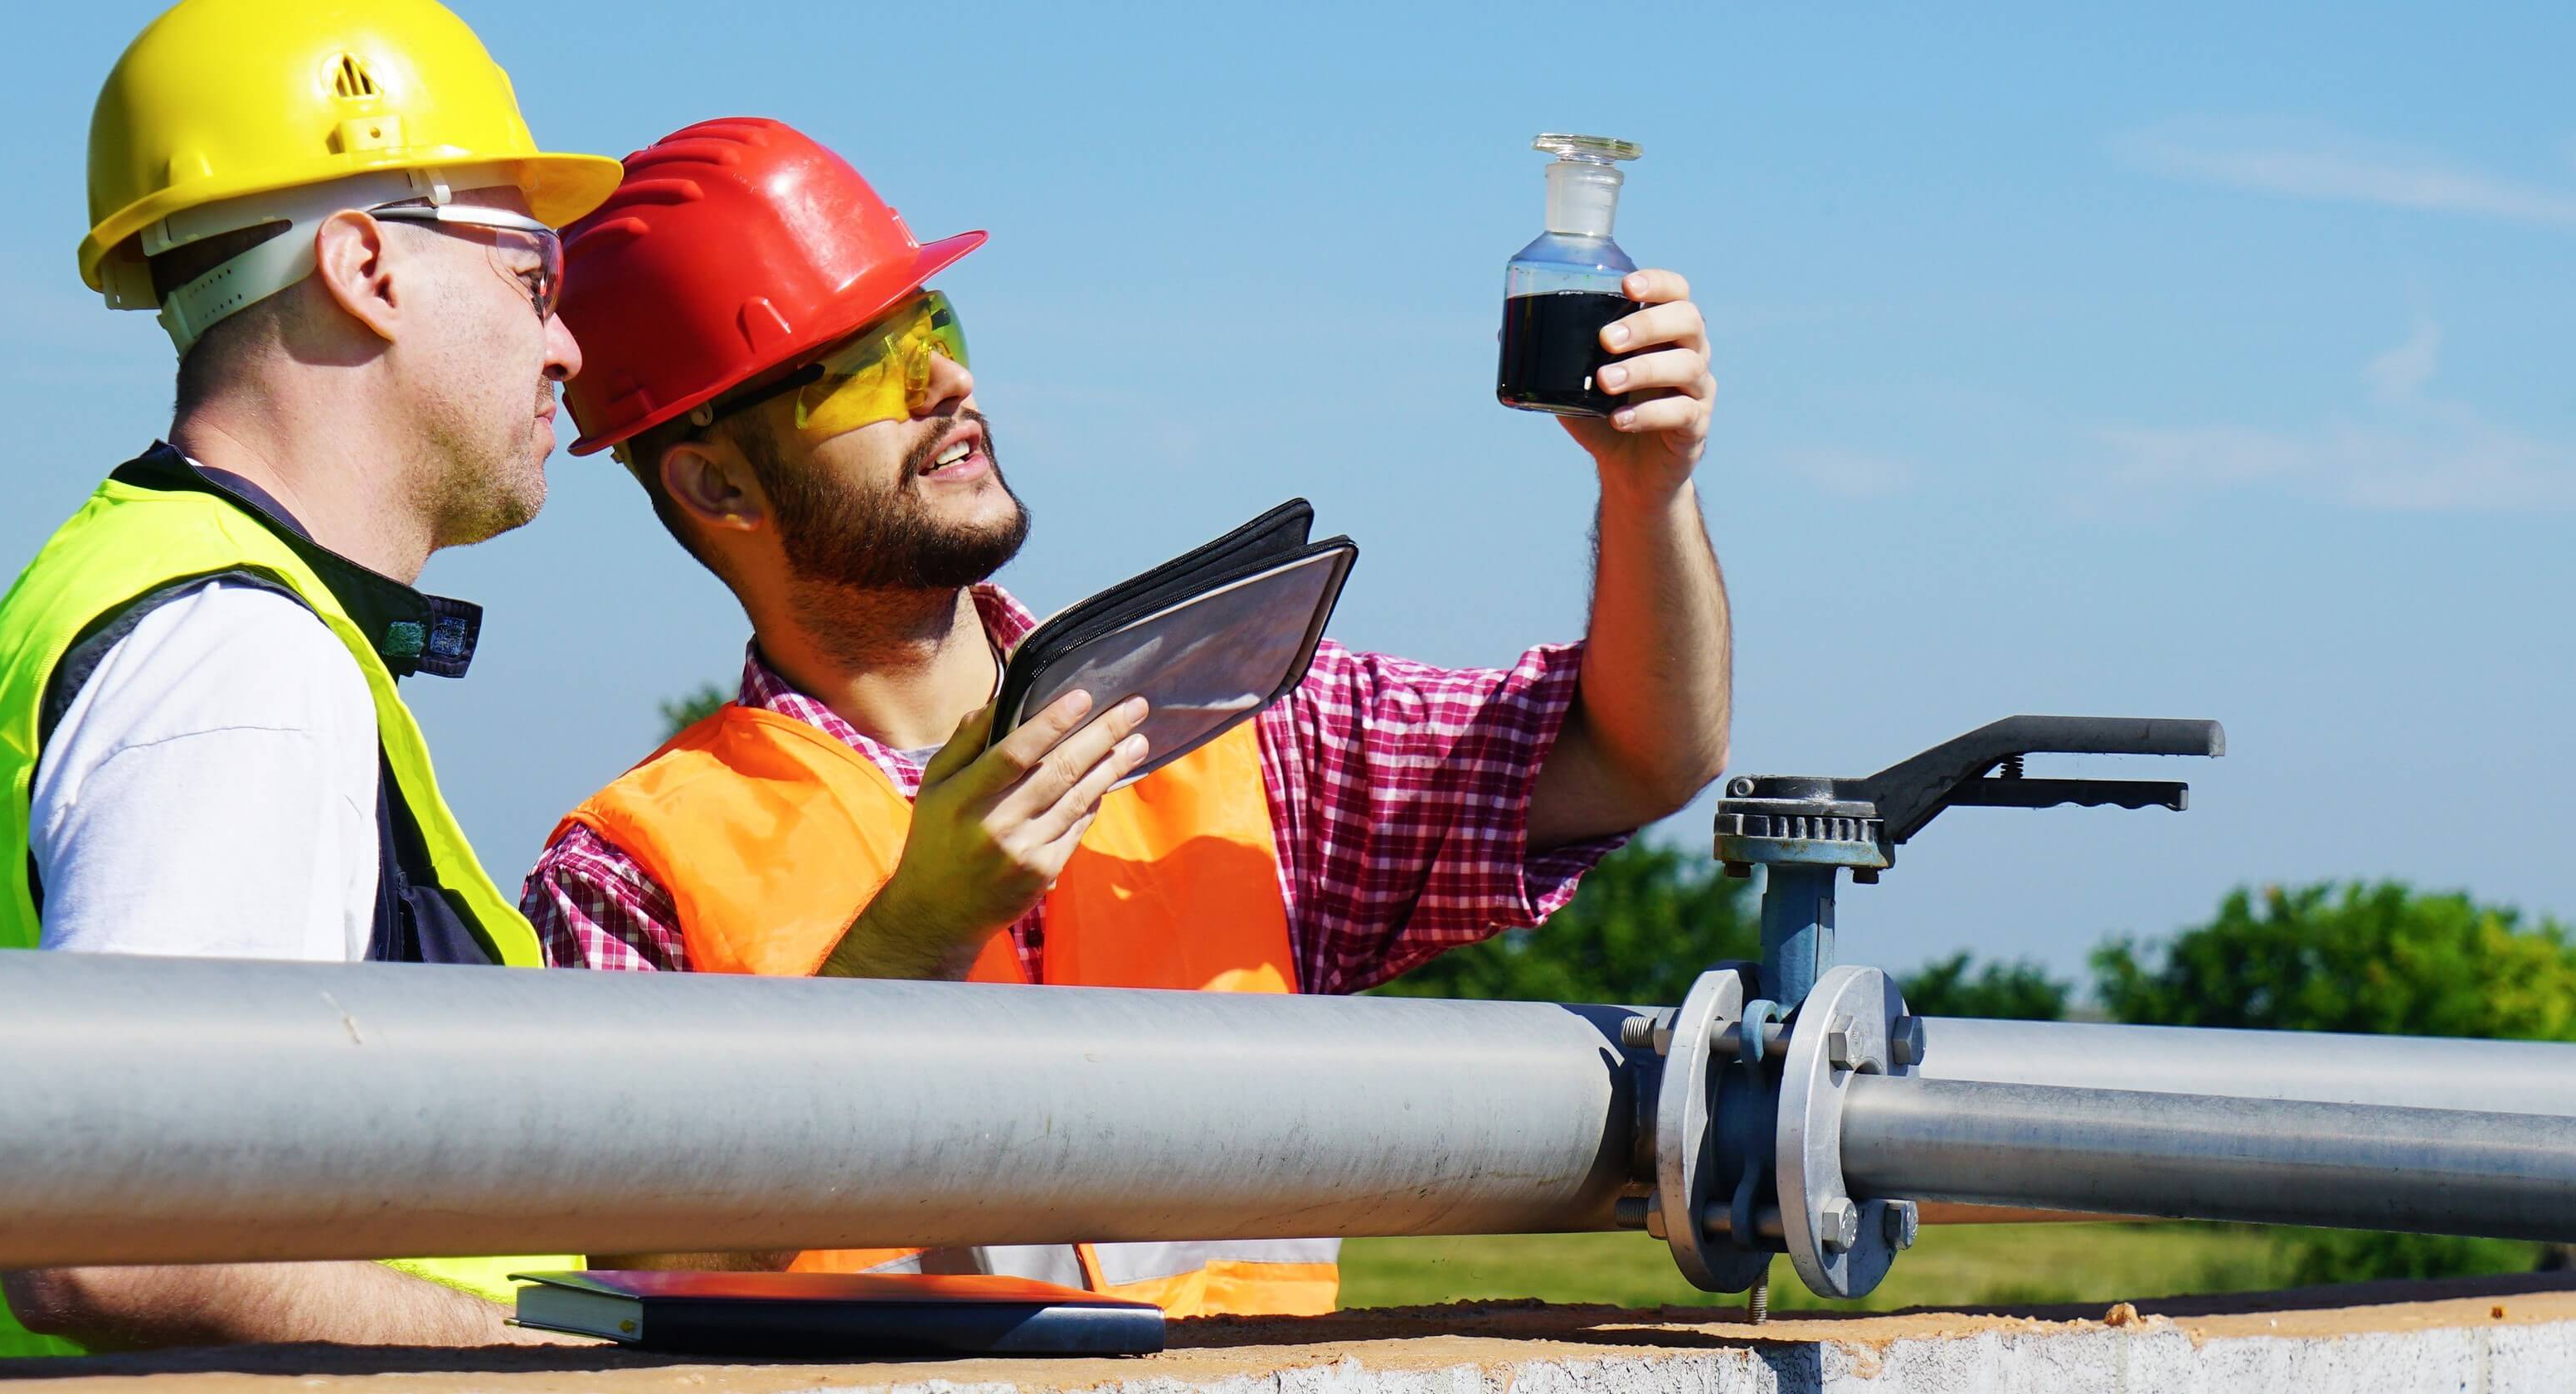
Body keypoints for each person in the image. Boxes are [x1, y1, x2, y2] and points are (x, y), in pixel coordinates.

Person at [520, 119, 1730, 1315]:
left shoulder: (1230, 718)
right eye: (866, 366)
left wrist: (1647, 489)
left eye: (932, 325)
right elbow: (648, 1276)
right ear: (715, 482)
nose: (950, 382)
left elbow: (1632, 756)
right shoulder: (629, 870)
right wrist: (914, 936)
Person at [0, 0, 616, 1357]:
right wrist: (546, 1374)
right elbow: (113, 1234)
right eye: (532, 272)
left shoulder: (157, 590)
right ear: (367, 266)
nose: (564, 345)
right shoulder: (236, 660)